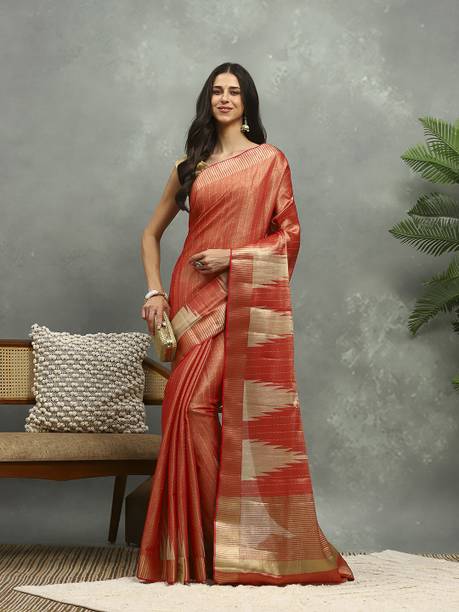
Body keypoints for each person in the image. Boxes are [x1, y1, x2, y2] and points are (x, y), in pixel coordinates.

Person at [135, 62, 354, 586]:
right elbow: (149, 235)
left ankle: (236, 541)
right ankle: (214, 544)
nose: (225, 98)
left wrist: (232, 258)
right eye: (217, 91)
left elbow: (289, 236)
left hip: (237, 294)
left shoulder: (270, 161)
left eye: (234, 91)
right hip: (189, 294)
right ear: (207, 99)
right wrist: (154, 291)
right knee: (186, 409)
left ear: (247, 101)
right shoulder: (188, 167)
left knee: (199, 407)